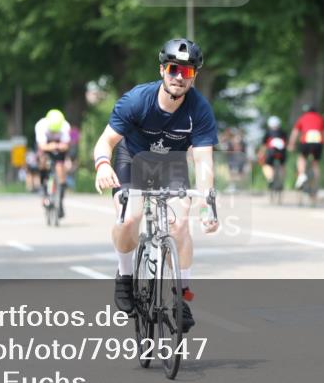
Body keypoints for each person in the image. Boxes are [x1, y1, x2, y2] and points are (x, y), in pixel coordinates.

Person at [93, 38, 219, 333]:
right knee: (130, 218)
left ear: (194, 77)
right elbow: (106, 141)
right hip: (133, 160)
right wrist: (102, 165)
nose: (179, 76)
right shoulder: (137, 100)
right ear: (163, 70)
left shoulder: (199, 109)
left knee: (179, 225)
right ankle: (125, 277)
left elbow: (203, 162)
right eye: (174, 69)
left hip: (171, 164)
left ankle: (181, 295)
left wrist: (206, 204)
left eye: (186, 72)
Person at [35, 109, 72, 218]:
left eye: (56, 131)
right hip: (45, 145)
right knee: (42, 162)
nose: (54, 133)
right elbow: (42, 146)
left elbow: (65, 145)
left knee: (61, 167)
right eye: (52, 130)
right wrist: (52, 146)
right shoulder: (41, 125)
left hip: (58, 146)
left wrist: (58, 146)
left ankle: (60, 199)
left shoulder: (65, 126)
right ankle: (43, 190)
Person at [289, 104, 324, 191]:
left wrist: (291, 144)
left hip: (306, 142)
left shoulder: (303, 117)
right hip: (318, 142)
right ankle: (316, 184)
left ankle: (302, 175)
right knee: (315, 163)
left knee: (301, 158)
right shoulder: (321, 118)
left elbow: (295, 132)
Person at [258, 116, 288, 185]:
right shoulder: (283, 132)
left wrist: (261, 154)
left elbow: (264, 145)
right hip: (282, 152)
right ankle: (281, 180)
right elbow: (286, 143)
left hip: (271, 152)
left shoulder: (268, 133)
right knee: (282, 165)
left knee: (266, 165)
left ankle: (270, 178)